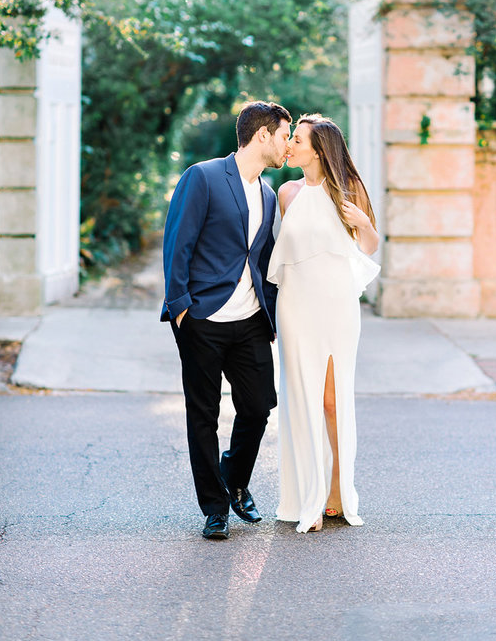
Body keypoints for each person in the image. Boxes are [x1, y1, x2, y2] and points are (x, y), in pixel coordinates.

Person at [162, 100, 291, 540]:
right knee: (203, 414)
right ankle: (215, 508)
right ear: (262, 136)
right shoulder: (204, 176)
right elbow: (177, 241)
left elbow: (262, 259)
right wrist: (180, 306)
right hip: (202, 317)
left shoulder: (269, 194)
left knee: (258, 406)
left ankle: (233, 480)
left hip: (251, 319)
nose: (288, 145)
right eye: (284, 136)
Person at [270, 114, 380, 533]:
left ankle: (336, 490)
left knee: (333, 401)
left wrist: (365, 225)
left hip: (337, 306)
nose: (290, 145)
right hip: (296, 305)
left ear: (318, 150)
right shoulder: (287, 192)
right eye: (291, 138)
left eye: (297, 140)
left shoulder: (349, 190)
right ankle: (308, 499)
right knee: (302, 399)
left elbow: (367, 247)